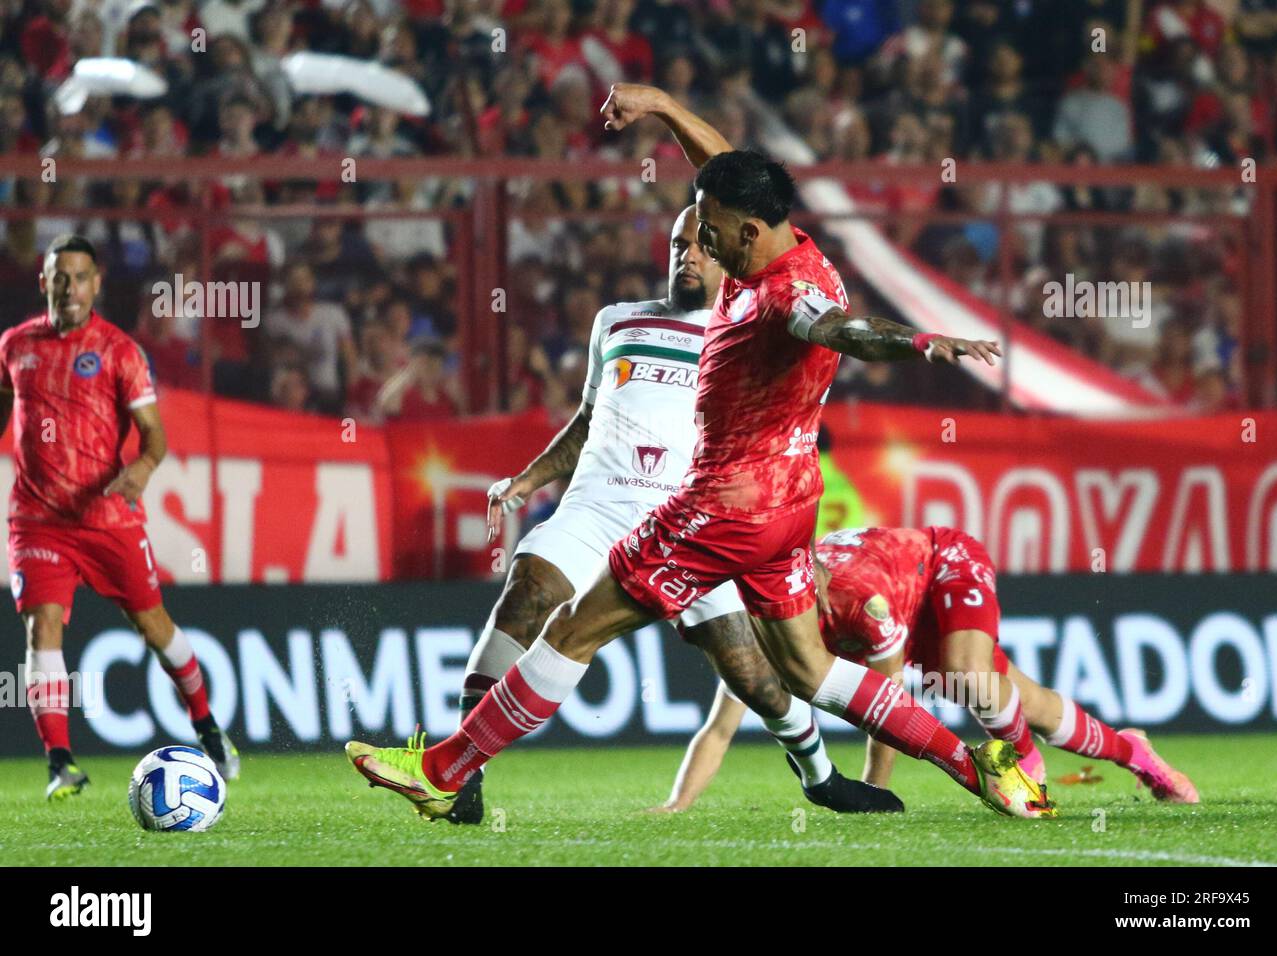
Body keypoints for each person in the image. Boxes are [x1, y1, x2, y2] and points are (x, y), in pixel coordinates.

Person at [346, 84, 1054, 821]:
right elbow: (722, 168)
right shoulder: (782, 243)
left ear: (748, 233)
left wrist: (920, 342)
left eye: (708, 229)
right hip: (787, 504)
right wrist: (661, 107)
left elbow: (846, 330)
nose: (697, 241)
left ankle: (445, 768)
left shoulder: (786, 298)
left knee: (574, 629)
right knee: (809, 667)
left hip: (724, 505)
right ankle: (979, 765)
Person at [439, 206, 901, 825]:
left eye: (703, 245)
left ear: (729, 258)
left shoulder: (746, 331)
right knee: (525, 596)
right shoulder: (617, 322)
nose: (688, 255)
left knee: (754, 676)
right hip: (597, 506)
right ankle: (463, 773)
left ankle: (820, 775)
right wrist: (528, 480)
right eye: (680, 244)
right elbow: (586, 422)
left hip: (691, 521)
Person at [655, 526, 1199, 811]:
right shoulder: (768, 622)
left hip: (943, 562)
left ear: (813, 585)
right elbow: (721, 724)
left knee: (968, 676)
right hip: (906, 596)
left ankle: (1023, 768)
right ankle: (1136, 752)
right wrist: (678, 805)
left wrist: (871, 794)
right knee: (1023, 701)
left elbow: (889, 709)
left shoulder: (857, 601)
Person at [0, 235, 239, 800]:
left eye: (81, 277)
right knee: (43, 626)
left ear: (96, 284)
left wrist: (141, 470)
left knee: (155, 629)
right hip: (37, 519)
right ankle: (61, 762)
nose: (70, 288)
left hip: (107, 516)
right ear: (44, 283)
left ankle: (205, 725)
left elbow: (155, 435)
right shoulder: (14, 346)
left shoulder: (119, 350)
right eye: (60, 277)